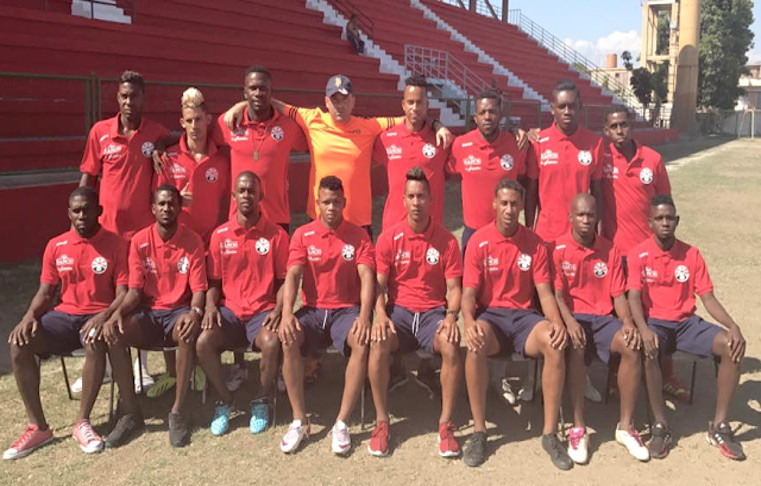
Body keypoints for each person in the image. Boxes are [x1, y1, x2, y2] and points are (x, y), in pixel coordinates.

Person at [224, 73, 454, 235]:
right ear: (326, 101)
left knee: (359, 290)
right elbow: (272, 103)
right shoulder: (311, 118)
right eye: (334, 100)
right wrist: (242, 105)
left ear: (353, 101)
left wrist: (437, 124)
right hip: (321, 217)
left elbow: (412, 116)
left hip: (358, 223)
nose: (339, 105)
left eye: (345, 99)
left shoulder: (370, 126)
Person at [4, 188, 128, 460]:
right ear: (69, 213)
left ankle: (82, 423)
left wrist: (105, 315)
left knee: (95, 338)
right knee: (18, 343)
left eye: (87, 209)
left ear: (99, 211)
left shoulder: (116, 244)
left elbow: (123, 294)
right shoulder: (56, 245)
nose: (81, 215)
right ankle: (38, 427)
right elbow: (46, 292)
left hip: (97, 317)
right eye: (76, 210)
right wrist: (28, 317)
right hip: (63, 318)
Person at [461, 179, 570, 470]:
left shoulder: (534, 243)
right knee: (475, 342)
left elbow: (545, 292)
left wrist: (556, 321)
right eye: (504, 203)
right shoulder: (478, 241)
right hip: (492, 318)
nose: (509, 210)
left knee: (554, 341)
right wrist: (469, 321)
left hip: (524, 319)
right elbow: (469, 293)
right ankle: (479, 431)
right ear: (494, 204)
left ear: (522, 206)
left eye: (515, 204)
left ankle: (549, 434)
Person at [628, 195, 747, 461]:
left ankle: (719, 426)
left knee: (732, 345)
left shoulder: (691, 254)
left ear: (677, 221)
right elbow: (633, 296)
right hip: (655, 324)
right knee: (649, 349)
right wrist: (643, 329)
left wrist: (733, 325)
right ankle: (660, 425)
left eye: (670, 218)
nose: (665, 223)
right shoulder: (638, 254)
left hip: (686, 324)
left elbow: (707, 298)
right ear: (650, 223)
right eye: (659, 218)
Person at [80, 70, 170, 394]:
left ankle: (140, 367)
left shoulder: (156, 133)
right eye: (123, 96)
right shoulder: (100, 132)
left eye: (134, 96)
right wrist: (82, 224)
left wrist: (162, 144)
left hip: (140, 235)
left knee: (139, 299)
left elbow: (177, 139)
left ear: (144, 98)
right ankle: (96, 363)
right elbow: (87, 179)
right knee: (101, 297)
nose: (129, 102)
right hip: (105, 234)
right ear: (118, 98)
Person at [102, 185, 207, 448]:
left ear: (180, 207)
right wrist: (116, 314)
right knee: (115, 333)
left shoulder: (193, 240)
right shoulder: (140, 240)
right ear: (153, 208)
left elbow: (198, 291)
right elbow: (135, 292)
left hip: (178, 312)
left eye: (172, 204)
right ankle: (130, 411)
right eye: (161, 204)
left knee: (186, 330)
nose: (166, 208)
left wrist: (194, 313)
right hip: (148, 312)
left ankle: (178, 410)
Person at [368, 168, 463, 458]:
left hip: (433, 314)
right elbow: (378, 285)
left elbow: (455, 287)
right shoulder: (389, 237)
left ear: (431, 199)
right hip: (400, 314)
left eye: (421, 196)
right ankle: (382, 422)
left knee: (450, 345)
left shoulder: (447, 240)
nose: (416, 202)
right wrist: (380, 315)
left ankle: (446, 425)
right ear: (403, 200)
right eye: (411, 196)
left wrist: (450, 316)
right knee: (378, 342)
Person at [278, 176, 375, 455]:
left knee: (361, 341)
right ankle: (300, 420)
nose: (331, 207)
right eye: (326, 202)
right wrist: (287, 314)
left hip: (345, 310)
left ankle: (342, 422)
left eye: (336, 202)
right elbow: (293, 275)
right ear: (317, 204)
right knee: (288, 337)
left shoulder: (359, 235)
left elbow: (367, 277)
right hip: (313, 309)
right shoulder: (302, 235)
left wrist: (365, 317)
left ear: (344, 203)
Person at [553, 193, 649, 464]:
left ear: (597, 218)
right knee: (576, 343)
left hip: (604, 319)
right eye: (580, 215)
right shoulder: (558, 249)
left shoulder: (611, 250)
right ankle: (578, 426)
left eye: (591, 215)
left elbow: (618, 296)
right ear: (570, 217)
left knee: (632, 345)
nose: (586, 220)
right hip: (574, 319)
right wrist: (569, 322)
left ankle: (626, 427)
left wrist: (628, 322)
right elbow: (557, 296)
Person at [600, 107, 686, 402]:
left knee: (658, 310)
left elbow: (665, 203)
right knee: (617, 315)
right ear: (606, 130)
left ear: (631, 126)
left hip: (649, 253)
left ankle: (667, 373)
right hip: (615, 253)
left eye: (624, 124)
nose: (620, 130)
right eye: (614, 125)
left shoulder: (653, 160)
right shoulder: (602, 158)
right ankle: (615, 376)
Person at [196, 172, 287, 436]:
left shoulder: (277, 235)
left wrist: (279, 309)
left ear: (261, 196)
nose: (247, 196)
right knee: (203, 342)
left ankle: (261, 399)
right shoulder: (220, 235)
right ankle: (225, 400)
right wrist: (211, 307)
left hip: (262, 311)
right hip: (231, 312)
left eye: (252, 191)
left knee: (271, 342)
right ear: (233, 196)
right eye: (242, 191)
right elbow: (213, 282)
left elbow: (283, 282)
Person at [447, 89, 529, 252]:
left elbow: (522, 177)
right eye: (482, 112)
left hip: (507, 232)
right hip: (473, 232)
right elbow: (450, 174)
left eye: (492, 111)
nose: (487, 117)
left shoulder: (515, 144)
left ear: (500, 114)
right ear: (475, 117)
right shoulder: (461, 145)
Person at [526, 79, 604, 245]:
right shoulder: (538, 142)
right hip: (546, 235)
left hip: (581, 235)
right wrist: (528, 229)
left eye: (572, 106)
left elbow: (597, 192)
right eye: (561, 106)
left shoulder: (595, 142)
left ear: (580, 107)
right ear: (552, 109)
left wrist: (596, 230)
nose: (567, 111)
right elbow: (531, 192)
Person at [373, 75, 451, 231]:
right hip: (394, 230)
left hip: (430, 231)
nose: (415, 107)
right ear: (403, 105)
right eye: (410, 102)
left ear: (427, 105)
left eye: (419, 102)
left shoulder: (442, 140)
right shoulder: (385, 139)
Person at [157, 87, 230, 245]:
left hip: (212, 242)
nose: (194, 126)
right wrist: (176, 200)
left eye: (198, 119)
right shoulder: (169, 158)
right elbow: (156, 200)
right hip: (178, 241)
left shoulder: (221, 162)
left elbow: (228, 203)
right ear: (182, 122)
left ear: (208, 119)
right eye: (189, 121)